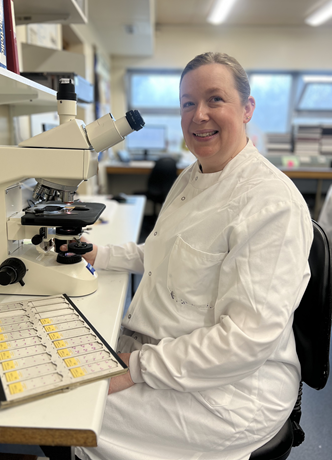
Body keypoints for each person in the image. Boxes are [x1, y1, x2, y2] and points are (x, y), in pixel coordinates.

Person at [74, 52, 313, 460]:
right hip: (171, 352)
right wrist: (100, 252)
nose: (199, 114)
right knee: (64, 370)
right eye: (188, 103)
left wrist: (134, 366)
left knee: (74, 410)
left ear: (248, 108)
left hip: (233, 390)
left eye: (215, 99)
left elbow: (244, 341)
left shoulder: (270, 203)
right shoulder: (193, 175)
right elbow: (167, 253)